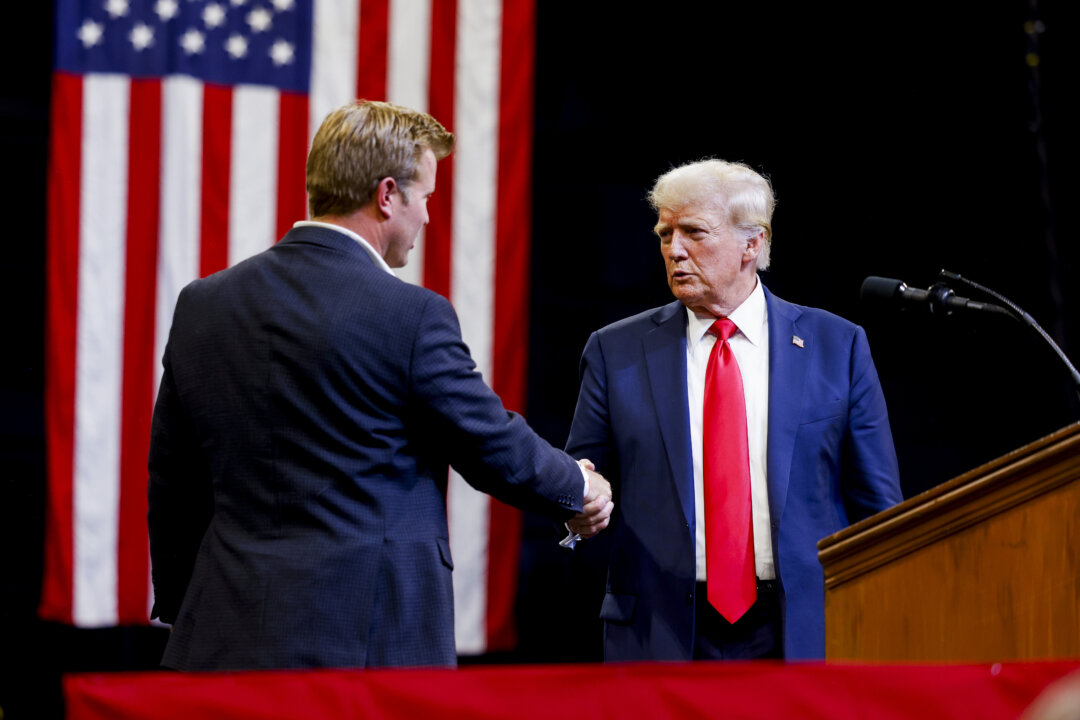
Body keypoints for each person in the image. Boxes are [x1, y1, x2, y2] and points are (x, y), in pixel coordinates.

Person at [147, 100, 613, 671]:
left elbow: (174, 477)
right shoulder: (408, 316)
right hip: (361, 650)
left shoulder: (203, 304)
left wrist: (182, 602)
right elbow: (489, 443)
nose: (426, 218)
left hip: (220, 636)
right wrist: (576, 487)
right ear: (388, 194)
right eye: (426, 199)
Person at [565, 158, 901, 660]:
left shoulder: (838, 346)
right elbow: (581, 483)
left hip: (801, 632)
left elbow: (879, 508)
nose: (673, 250)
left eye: (694, 232)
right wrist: (577, 511)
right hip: (662, 633)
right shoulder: (616, 351)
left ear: (753, 243)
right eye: (664, 233)